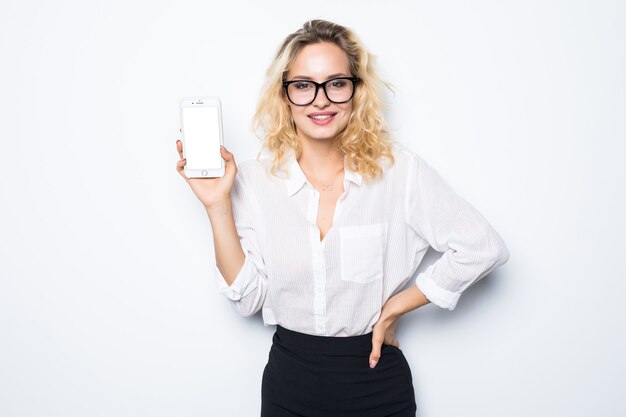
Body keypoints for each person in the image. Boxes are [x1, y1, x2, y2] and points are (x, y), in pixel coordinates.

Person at [175, 19, 510, 417]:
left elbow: (482, 247)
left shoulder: (399, 173)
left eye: (336, 83)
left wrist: (398, 305)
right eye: (303, 85)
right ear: (285, 97)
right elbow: (248, 300)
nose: (320, 100)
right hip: (289, 383)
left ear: (356, 92)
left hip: (375, 382)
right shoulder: (252, 181)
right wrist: (217, 206)